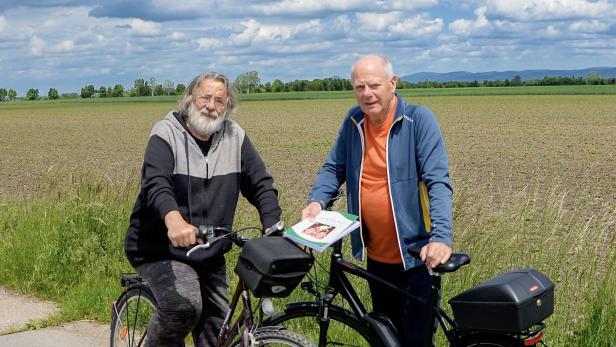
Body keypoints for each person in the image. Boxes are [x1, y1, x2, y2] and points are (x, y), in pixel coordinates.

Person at [301, 55, 453, 346]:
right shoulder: (354, 121)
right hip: (377, 259)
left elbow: (438, 182)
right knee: (385, 338)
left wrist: (442, 238)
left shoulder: (418, 120)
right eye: (359, 87)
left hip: (417, 258)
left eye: (374, 85)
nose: (367, 93)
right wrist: (317, 201)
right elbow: (335, 167)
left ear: (392, 83)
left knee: (416, 341)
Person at [125, 72, 282, 347]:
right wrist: (173, 220)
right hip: (160, 248)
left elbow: (260, 183)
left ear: (227, 106)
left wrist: (273, 225)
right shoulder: (167, 133)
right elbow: (156, 183)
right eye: (205, 98)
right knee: (183, 306)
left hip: (209, 251)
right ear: (189, 100)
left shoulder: (235, 137)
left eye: (219, 101)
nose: (211, 106)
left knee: (218, 332)